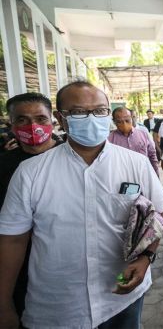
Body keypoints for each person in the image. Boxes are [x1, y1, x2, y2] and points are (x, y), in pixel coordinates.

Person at [0, 81, 163, 329]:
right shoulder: (31, 172)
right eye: (79, 112)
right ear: (61, 118)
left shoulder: (136, 164)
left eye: (100, 111)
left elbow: (159, 214)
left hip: (122, 294)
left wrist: (145, 257)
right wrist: (4, 303)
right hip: (59, 305)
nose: (92, 119)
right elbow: (13, 240)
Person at [0, 93, 63, 322]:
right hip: (20, 271)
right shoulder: (5, 166)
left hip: (65, 266)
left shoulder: (74, 158)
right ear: (11, 124)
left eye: (40, 118)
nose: (33, 126)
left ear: (52, 120)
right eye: (22, 120)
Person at [108, 106, 159, 175]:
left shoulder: (143, 134)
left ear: (131, 118)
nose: (124, 124)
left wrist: (156, 175)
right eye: (119, 122)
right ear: (114, 122)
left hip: (144, 174)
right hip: (122, 177)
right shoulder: (110, 139)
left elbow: (152, 156)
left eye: (127, 120)